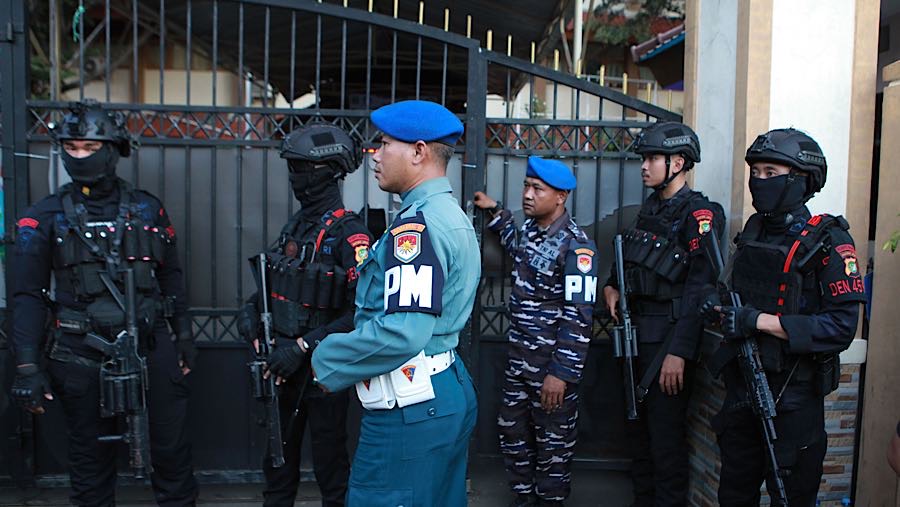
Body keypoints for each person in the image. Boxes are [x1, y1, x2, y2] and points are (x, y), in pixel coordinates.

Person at [9, 100, 198, 505]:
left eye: (90, 148)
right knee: (90, 466)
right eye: (72, 148)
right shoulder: (42, 217)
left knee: (172, 455)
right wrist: (27, 367)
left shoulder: (148, 208)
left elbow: (171, 275)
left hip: (150, 347)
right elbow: (25, 294)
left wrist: (183, 336)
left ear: (112, 150)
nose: (79, 156)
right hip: (81, 354)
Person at [310, 100, 479, 506]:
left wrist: (321, 359)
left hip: (411, 408)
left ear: (419, 152)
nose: (375, 155)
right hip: (439, 391)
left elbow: (403, 333)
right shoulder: (446, 213)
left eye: (385, 144)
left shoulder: (417, 227)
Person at [703, 128, 866, 506]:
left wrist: (758, 321)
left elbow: (841, 327)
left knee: (790, 496)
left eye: (771, 172)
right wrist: (715, 306)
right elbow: (732, 292)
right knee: (733, 494)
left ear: (802, 180)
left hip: (793, 399)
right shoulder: (754, 231)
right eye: (755, 172)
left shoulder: (830, 241)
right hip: (743, 389)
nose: (760, 181)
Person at [236, 123, 373, 507]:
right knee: (277, 468)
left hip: (322, 372)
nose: (295, 177)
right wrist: (249, 314)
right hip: (280, 368)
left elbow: (360, 313)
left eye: (301, 168)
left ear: (326, 172)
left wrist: (302, 345)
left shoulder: (351, 236)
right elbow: (273, 286)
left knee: (331, 469)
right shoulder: (296, 226)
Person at [602, 121, 724, 507]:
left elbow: (700, 288)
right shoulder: (649, 211)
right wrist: (611, 286)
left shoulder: (699, 215)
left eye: (653, 158)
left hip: (667, 344)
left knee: (666, 444)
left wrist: (679, 352)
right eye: (645, 158)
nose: (644, 166)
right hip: (634, 338)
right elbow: (630, 264)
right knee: (638, 441)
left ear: (679, 162)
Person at [473, 156, 599, 507]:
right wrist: (495, 210)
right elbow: (514, 241)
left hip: (551, 370)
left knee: (552, 448)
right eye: (526, 186)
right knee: (513, 435)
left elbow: (579, 316)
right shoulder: (530, 231)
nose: (527, 194)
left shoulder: (578, 248)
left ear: (560, 197)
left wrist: (560, 375)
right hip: (518, 364)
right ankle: (522, 499)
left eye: (537, 189)